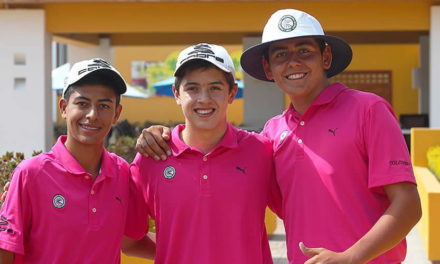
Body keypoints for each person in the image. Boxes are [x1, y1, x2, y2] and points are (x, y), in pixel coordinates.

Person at [136, 9, 422, 264]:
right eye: (281, 55)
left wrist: (351, 257)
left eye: (304, 51)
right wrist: (161, 134)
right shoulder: (270, 136)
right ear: (268, 69)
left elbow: (409, 206)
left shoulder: (368, 109)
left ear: (325, 57)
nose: (293, 63)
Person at [123, 43, 281, 264]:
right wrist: (178, 252)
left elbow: (299, 211)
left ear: (232, 93)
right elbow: (129, 240)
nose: (204, 98)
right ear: (177, 94)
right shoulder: (152, 158)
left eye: (215, 88)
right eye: (193, 88)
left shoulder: (261, 151)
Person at [0, 58, 153, 263]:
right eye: (82, 104)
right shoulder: (31, 174)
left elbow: (131, 241)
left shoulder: (122, 173)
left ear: (117, 114)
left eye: (104, 106)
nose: (92, 115)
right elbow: (5, 250)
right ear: (64, 108)